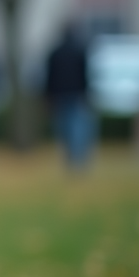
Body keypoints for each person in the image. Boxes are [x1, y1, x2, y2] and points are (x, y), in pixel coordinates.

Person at [43, 23, 94, 170]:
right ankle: (78, 159)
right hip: (76, 95)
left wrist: (48, 97)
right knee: (77, 128)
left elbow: (49, 78)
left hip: (59, 97)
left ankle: (70, 159)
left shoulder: (55, 53)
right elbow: (85, 77)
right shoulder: (79, 51)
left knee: (64, 130)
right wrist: (86, 94)